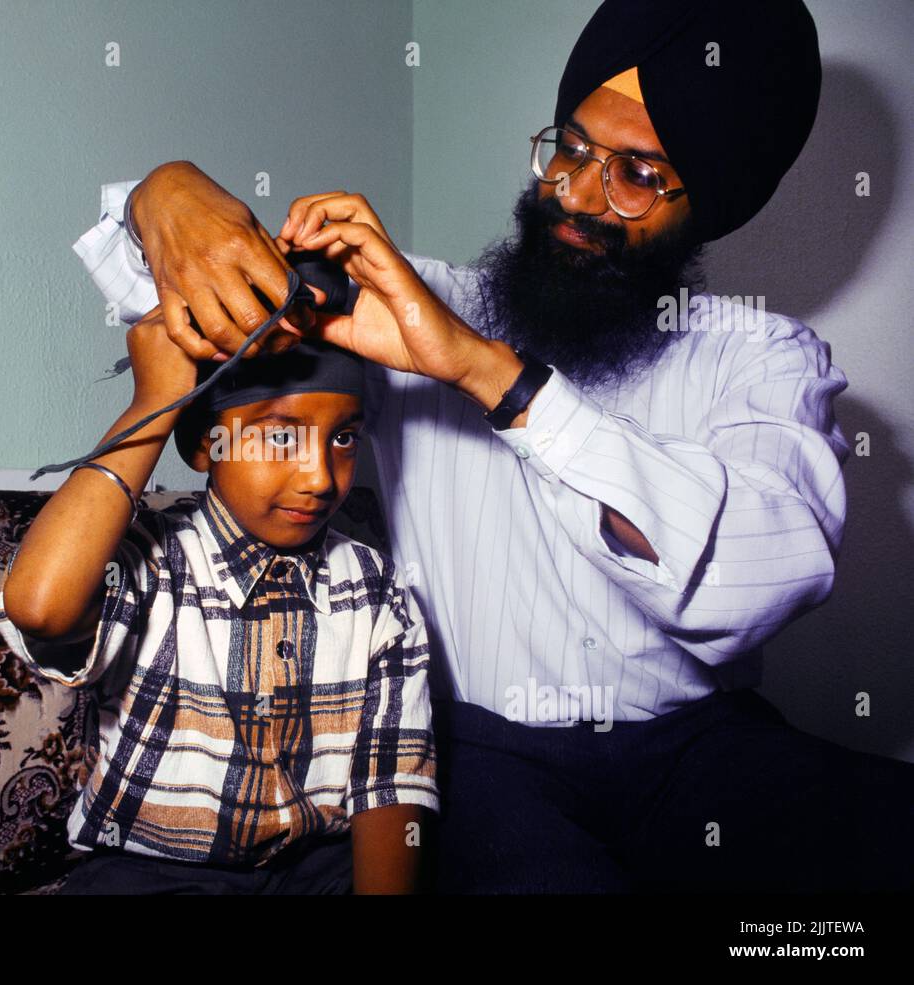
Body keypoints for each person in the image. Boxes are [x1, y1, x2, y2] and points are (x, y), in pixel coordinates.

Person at [65, 0, 914, 892]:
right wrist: (164, 196)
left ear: (708, 206)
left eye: (636, 173)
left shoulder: (762, 357)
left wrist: (487, 374)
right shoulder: (409, 301)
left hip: (702, 746)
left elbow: (753, 581)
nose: (578, 194)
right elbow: (168, 287)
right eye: (573, 150)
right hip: (485, 756)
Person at [0, 309, 438, 894]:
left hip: (316, 866)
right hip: (152, 874)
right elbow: (41, 608)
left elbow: (392, 784)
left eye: (343, 438)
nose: (320, 478)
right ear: (206, 443)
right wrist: (154, 401)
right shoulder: (152, 562)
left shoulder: (374, 584)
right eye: (282, 435)